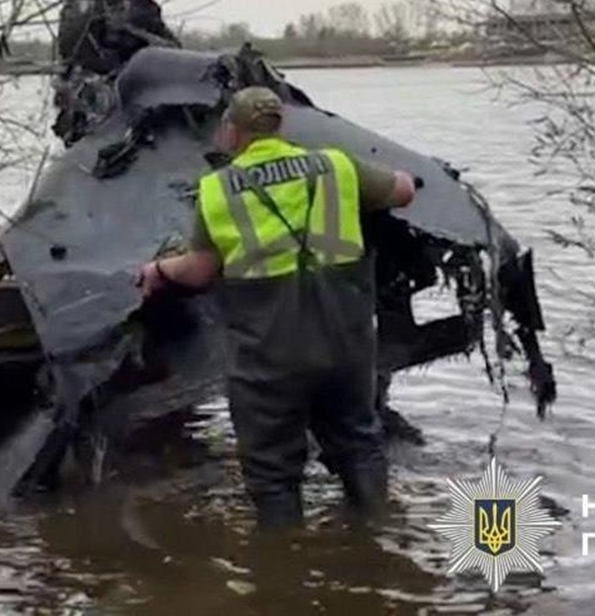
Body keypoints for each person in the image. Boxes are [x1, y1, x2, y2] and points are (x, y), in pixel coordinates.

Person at [137, 86, 416, 531]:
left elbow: (200, 271)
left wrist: (158, 269)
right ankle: (378, 537)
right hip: (344, 344)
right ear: (280, 127)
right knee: (359, 444)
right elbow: (403, 191)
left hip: (268, 354)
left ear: (231, 133)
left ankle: (285, 569)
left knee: (273, 474)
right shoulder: (334, 165)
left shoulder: (217, 189)